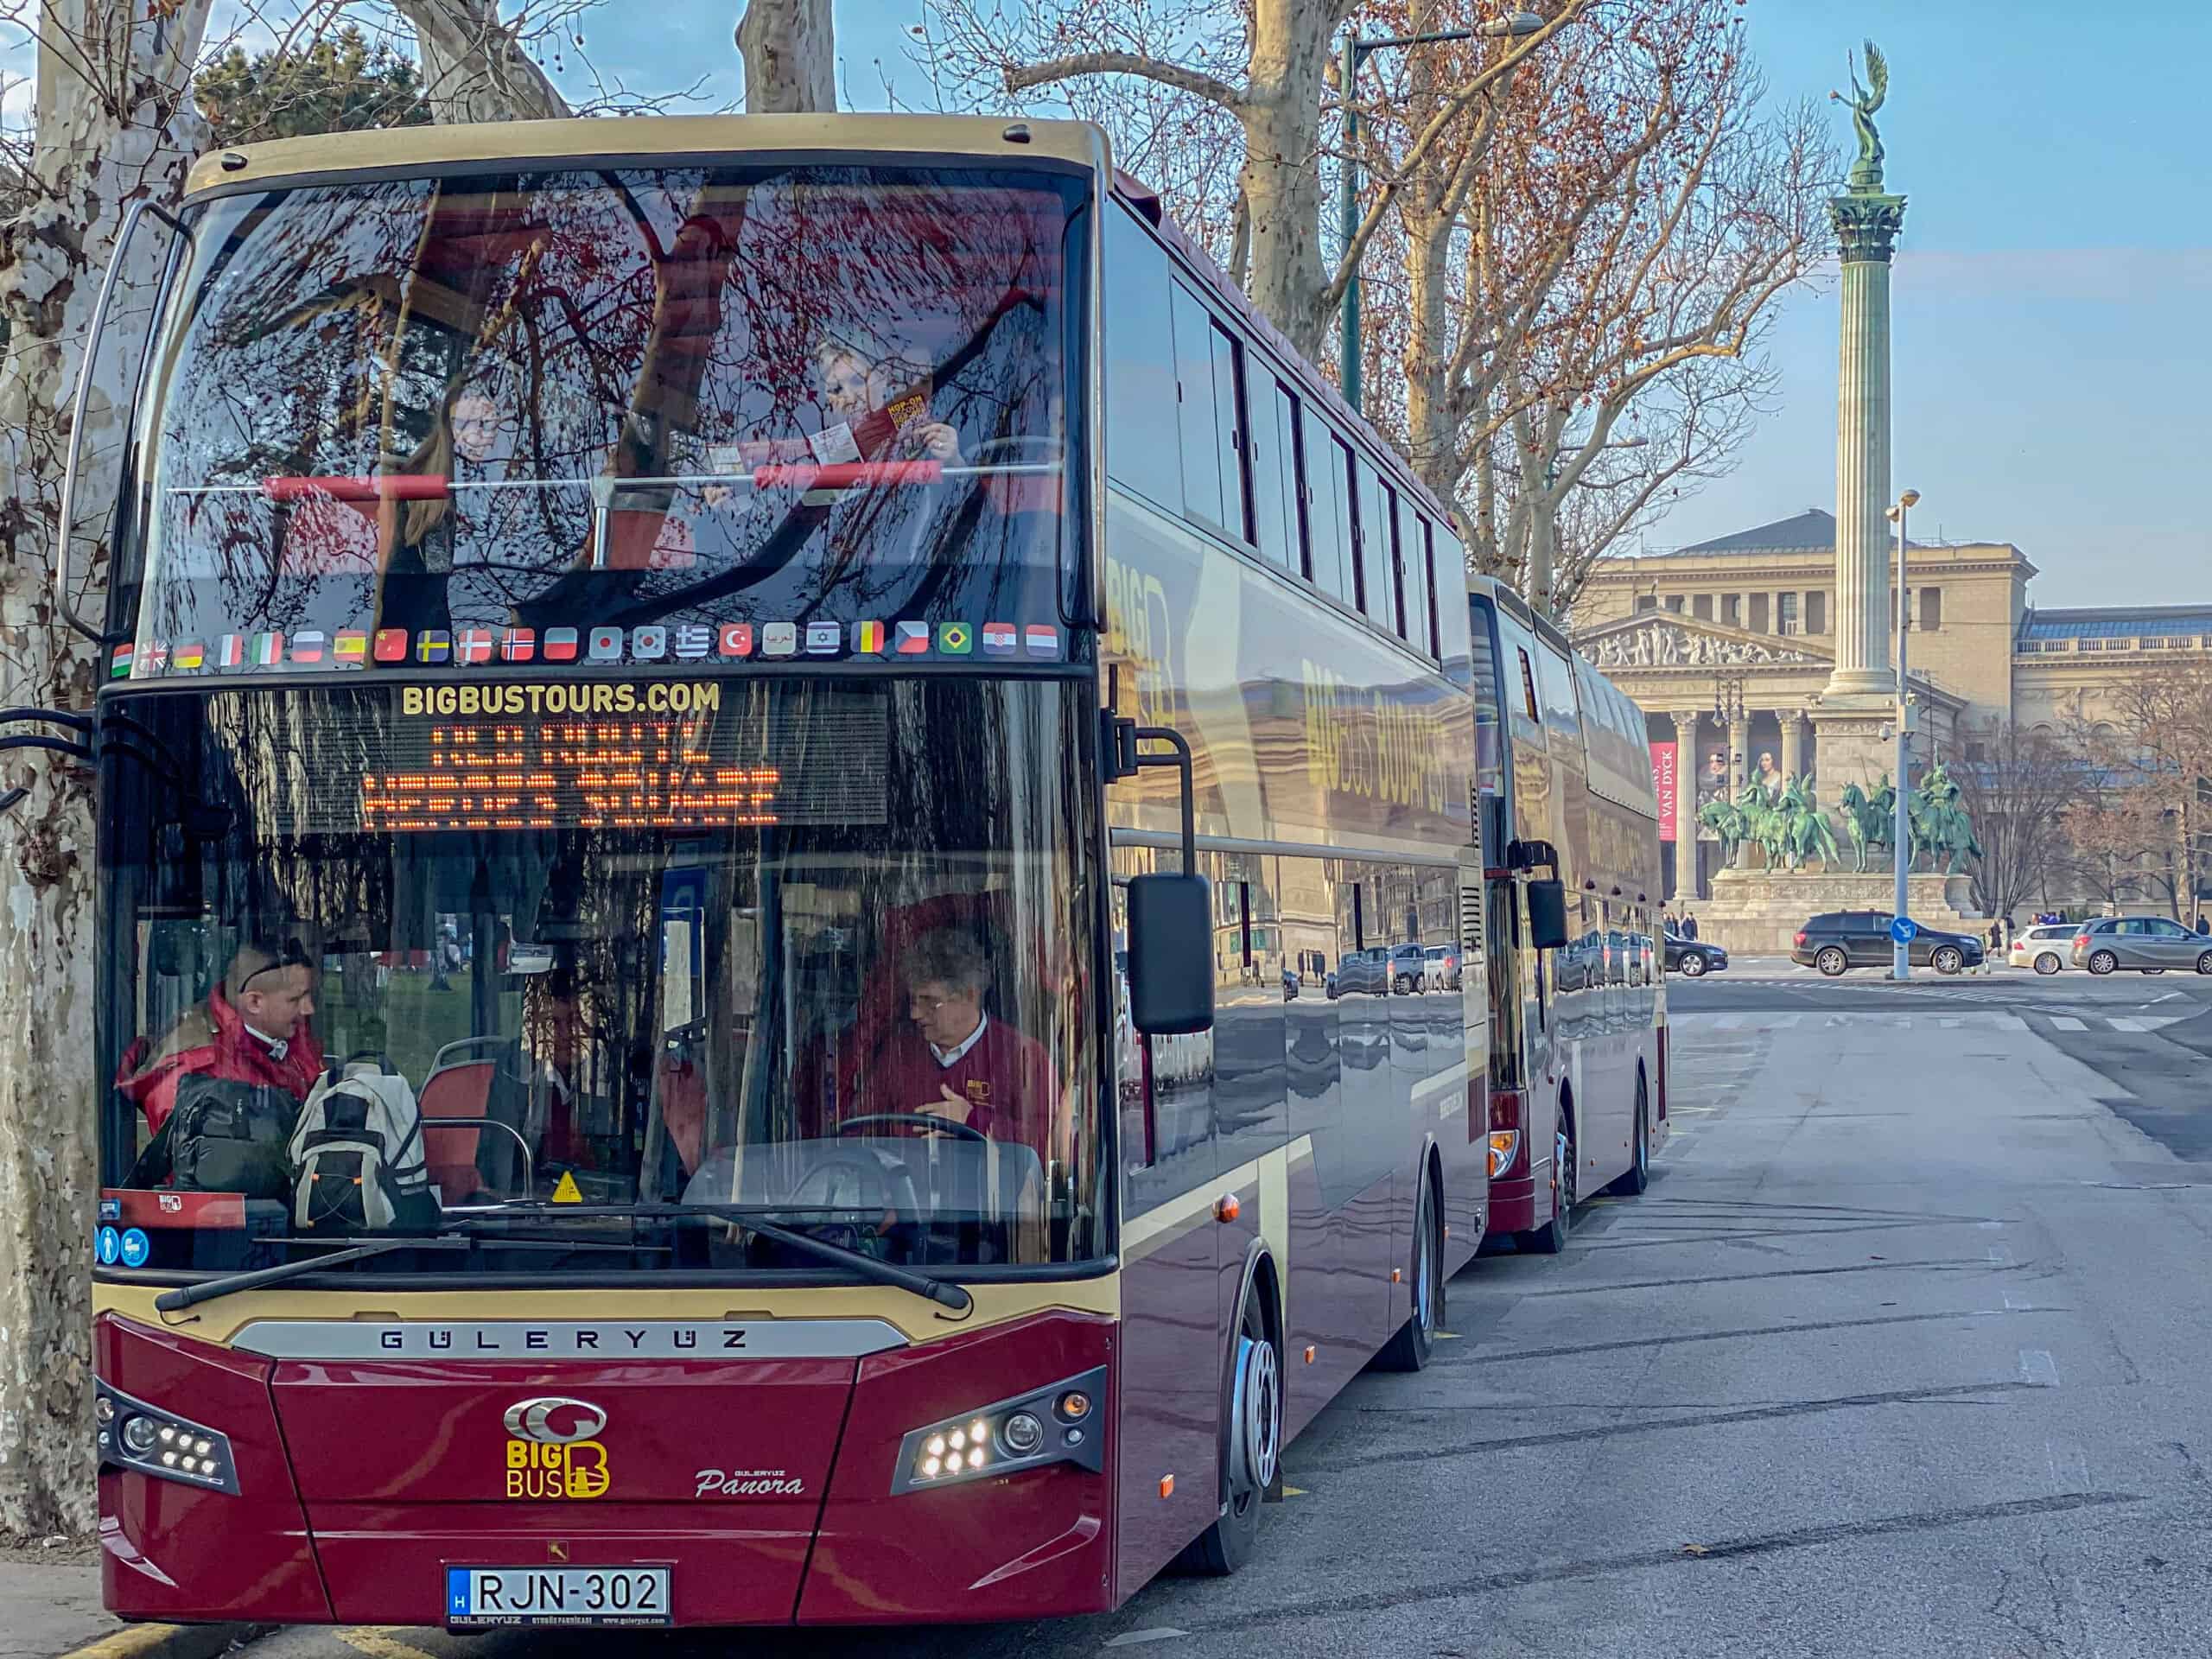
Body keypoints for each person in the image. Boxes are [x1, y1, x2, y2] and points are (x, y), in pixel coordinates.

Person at [855, 928, 1049, 1155]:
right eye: (913, 1000)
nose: (915, 1013)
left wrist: (972, 1120)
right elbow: (859, 1129)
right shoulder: (898, 1053)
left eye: (929, 1001)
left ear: (969, 996)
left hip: (990, 1190)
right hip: (901, 1189)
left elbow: (1050, 1144)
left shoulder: (1023, 1056)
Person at [118, 941, 327, 1137]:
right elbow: (199, 1168)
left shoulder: (291, 1040)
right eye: (295, 999)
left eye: (309, 997)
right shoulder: (190, 1074)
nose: (309, 1009)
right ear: (254, 1002)